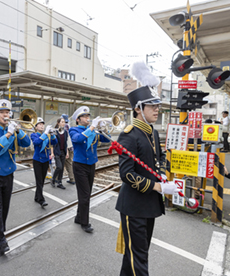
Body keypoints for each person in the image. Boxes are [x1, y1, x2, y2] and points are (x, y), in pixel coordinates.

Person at [115, 62, 179, 275]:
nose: (157, 110)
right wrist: (156, 187)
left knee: (136, 254)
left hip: (148, 205)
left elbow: (157, 158)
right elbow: (127, 175)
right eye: (153, 106)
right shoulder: (129, 134)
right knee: (139, 258)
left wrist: (160, 173)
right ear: (138, 108)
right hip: (133, 206)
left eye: (157, 106)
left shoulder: (152, 132)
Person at [0, 99, 31, 253]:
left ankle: (0, 229)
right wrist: (9, 133)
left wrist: (18, 130)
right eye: (2, 112)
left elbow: (27, 143)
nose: (6, 115)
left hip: (8, 172)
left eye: (7, 112)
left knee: (5, 206)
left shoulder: (11, 129)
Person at [69, 106, 111, 233]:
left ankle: (78, 216)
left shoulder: (93, 130)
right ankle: (84, 223)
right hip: (79, 165)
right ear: (78, 119)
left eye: (88, 116)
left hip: (91, 164)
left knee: (86, 193)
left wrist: (104, 127)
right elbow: (78, 139)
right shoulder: (73, 130)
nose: (88, 118)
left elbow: (106, 140)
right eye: (85, 117)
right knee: (85, 195)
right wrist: (92, 127)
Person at [31, 117, 58, 207]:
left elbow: (55, 142)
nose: (42, 126)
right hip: (37, 160)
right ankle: (41, 200)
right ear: (36, 127)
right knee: (39, 180)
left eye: (43, 124)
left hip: (46, 160)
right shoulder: (34, 135)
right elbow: (37, 142)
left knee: (42, 180)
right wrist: (46, 133)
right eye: (39, 124)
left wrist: (52, 134)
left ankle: (36, 196)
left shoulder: (47, 135)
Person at [52, 117, 68, 189]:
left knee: (62, 168)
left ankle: (59, 182)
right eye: (62, 122)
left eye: (64, 122)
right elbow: (52, 143)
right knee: (59, 166)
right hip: (57, 151)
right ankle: (53, 179)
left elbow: (65, 143)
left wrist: (67, 152)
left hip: (63, 152)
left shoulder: (65, 132)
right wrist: (52, 153)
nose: (63, 123)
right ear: (58, 123)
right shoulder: (55, 132)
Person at [62, 114, 75, 185]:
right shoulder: (69, 125)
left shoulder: (65, 126)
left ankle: (72, 178)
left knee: (66, 163)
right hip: (71, 147)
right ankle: (72, 178)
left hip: (67, 147)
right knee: (70, 163)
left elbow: (65, 139)